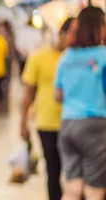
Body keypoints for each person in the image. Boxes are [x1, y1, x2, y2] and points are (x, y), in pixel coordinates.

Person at [54, 7, 106, 200]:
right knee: (94, 190)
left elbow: (57, 95)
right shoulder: (102, 55)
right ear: (98, 27)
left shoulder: (66, 56)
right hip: (95, 125)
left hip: (67, 124)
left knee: (72, 187)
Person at [20, 17, 74, 200]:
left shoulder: (77, 58)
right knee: (53, 170)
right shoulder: (39, 57)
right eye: (69, 34)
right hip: (46, 122)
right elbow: (28, 93)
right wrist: (23, 124)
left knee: (74, 173)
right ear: (61, 33)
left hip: (72, 122)